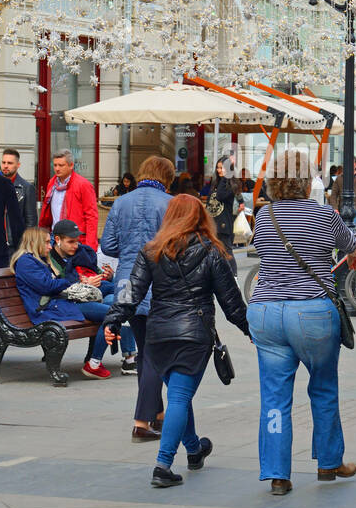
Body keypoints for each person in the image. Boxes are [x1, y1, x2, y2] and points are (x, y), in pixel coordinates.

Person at [102, 196, 249, 488]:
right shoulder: (212, 252)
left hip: (158, 335)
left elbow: (132, 293)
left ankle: (194, 449)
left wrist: (113, 320)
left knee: (181, 394)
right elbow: (231, 302)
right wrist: (252, 330)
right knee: (180, 398)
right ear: (200, 218)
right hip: (193, 336)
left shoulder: (151, 250)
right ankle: (163, 465)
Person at [247, 149, 356, 496]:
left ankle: (277, 473)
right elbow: (349, 247)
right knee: (324, 386)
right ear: (307, 180)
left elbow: (263, 251)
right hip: (311, 311)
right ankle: (329, 462)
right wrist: (355, 257)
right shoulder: (325, 214)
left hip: (266, 312)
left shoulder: (263, 215)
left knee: (274, 395)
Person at [100, 155, 174, 436]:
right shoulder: (169, 204)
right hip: (158, 282)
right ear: (166, 178)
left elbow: (107, 245)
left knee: (146, 349)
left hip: (127, 283)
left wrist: (131, 252)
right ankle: (142, 422)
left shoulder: (120, 202)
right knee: (154, 354)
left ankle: (156, 413)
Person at [10, 224, 121, 380]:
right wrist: (69, 284)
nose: (50, 247)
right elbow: (47, 286)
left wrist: (69, 282)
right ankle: (94, 363)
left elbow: (55, 283)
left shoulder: (36, 260)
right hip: (49, 309)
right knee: (112, 313)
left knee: (112, 311)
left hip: (62, 303)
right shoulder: (26, 262)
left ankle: (94, 361)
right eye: (47, 242)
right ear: (35, 243)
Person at [40, 149, 98, 250]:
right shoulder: (52, 183)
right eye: (55, 165)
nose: (57, 168)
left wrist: (90, 246)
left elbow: (91, 216)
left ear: (71, 165)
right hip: (55, 237)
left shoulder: (83, 184)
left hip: (75, 240)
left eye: (61, 165)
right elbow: (48, 212)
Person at [204, 156, 238, 271]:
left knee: (227, 253)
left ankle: (234, 278)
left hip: (224, 225)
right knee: (212, 253)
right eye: (218, 168)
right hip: (211, 224)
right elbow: (209, 203)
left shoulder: (231, 185)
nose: (219, 171)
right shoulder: (216, 184)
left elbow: (220, 196)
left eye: (222, 168)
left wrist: (224, 178)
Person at [0, 147, 39, 233]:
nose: (6, 166)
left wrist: (26, 243)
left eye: (10, 163)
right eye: (3, 162)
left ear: (18, 165)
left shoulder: (27, 188)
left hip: (17, 242)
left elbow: (31, 222)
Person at [330, 156, 356, 227]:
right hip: (342, 208)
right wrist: (335, 208)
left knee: (354, 230)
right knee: (342, 230)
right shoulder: (339, 178)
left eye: (351, 163)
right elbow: (333, 194)